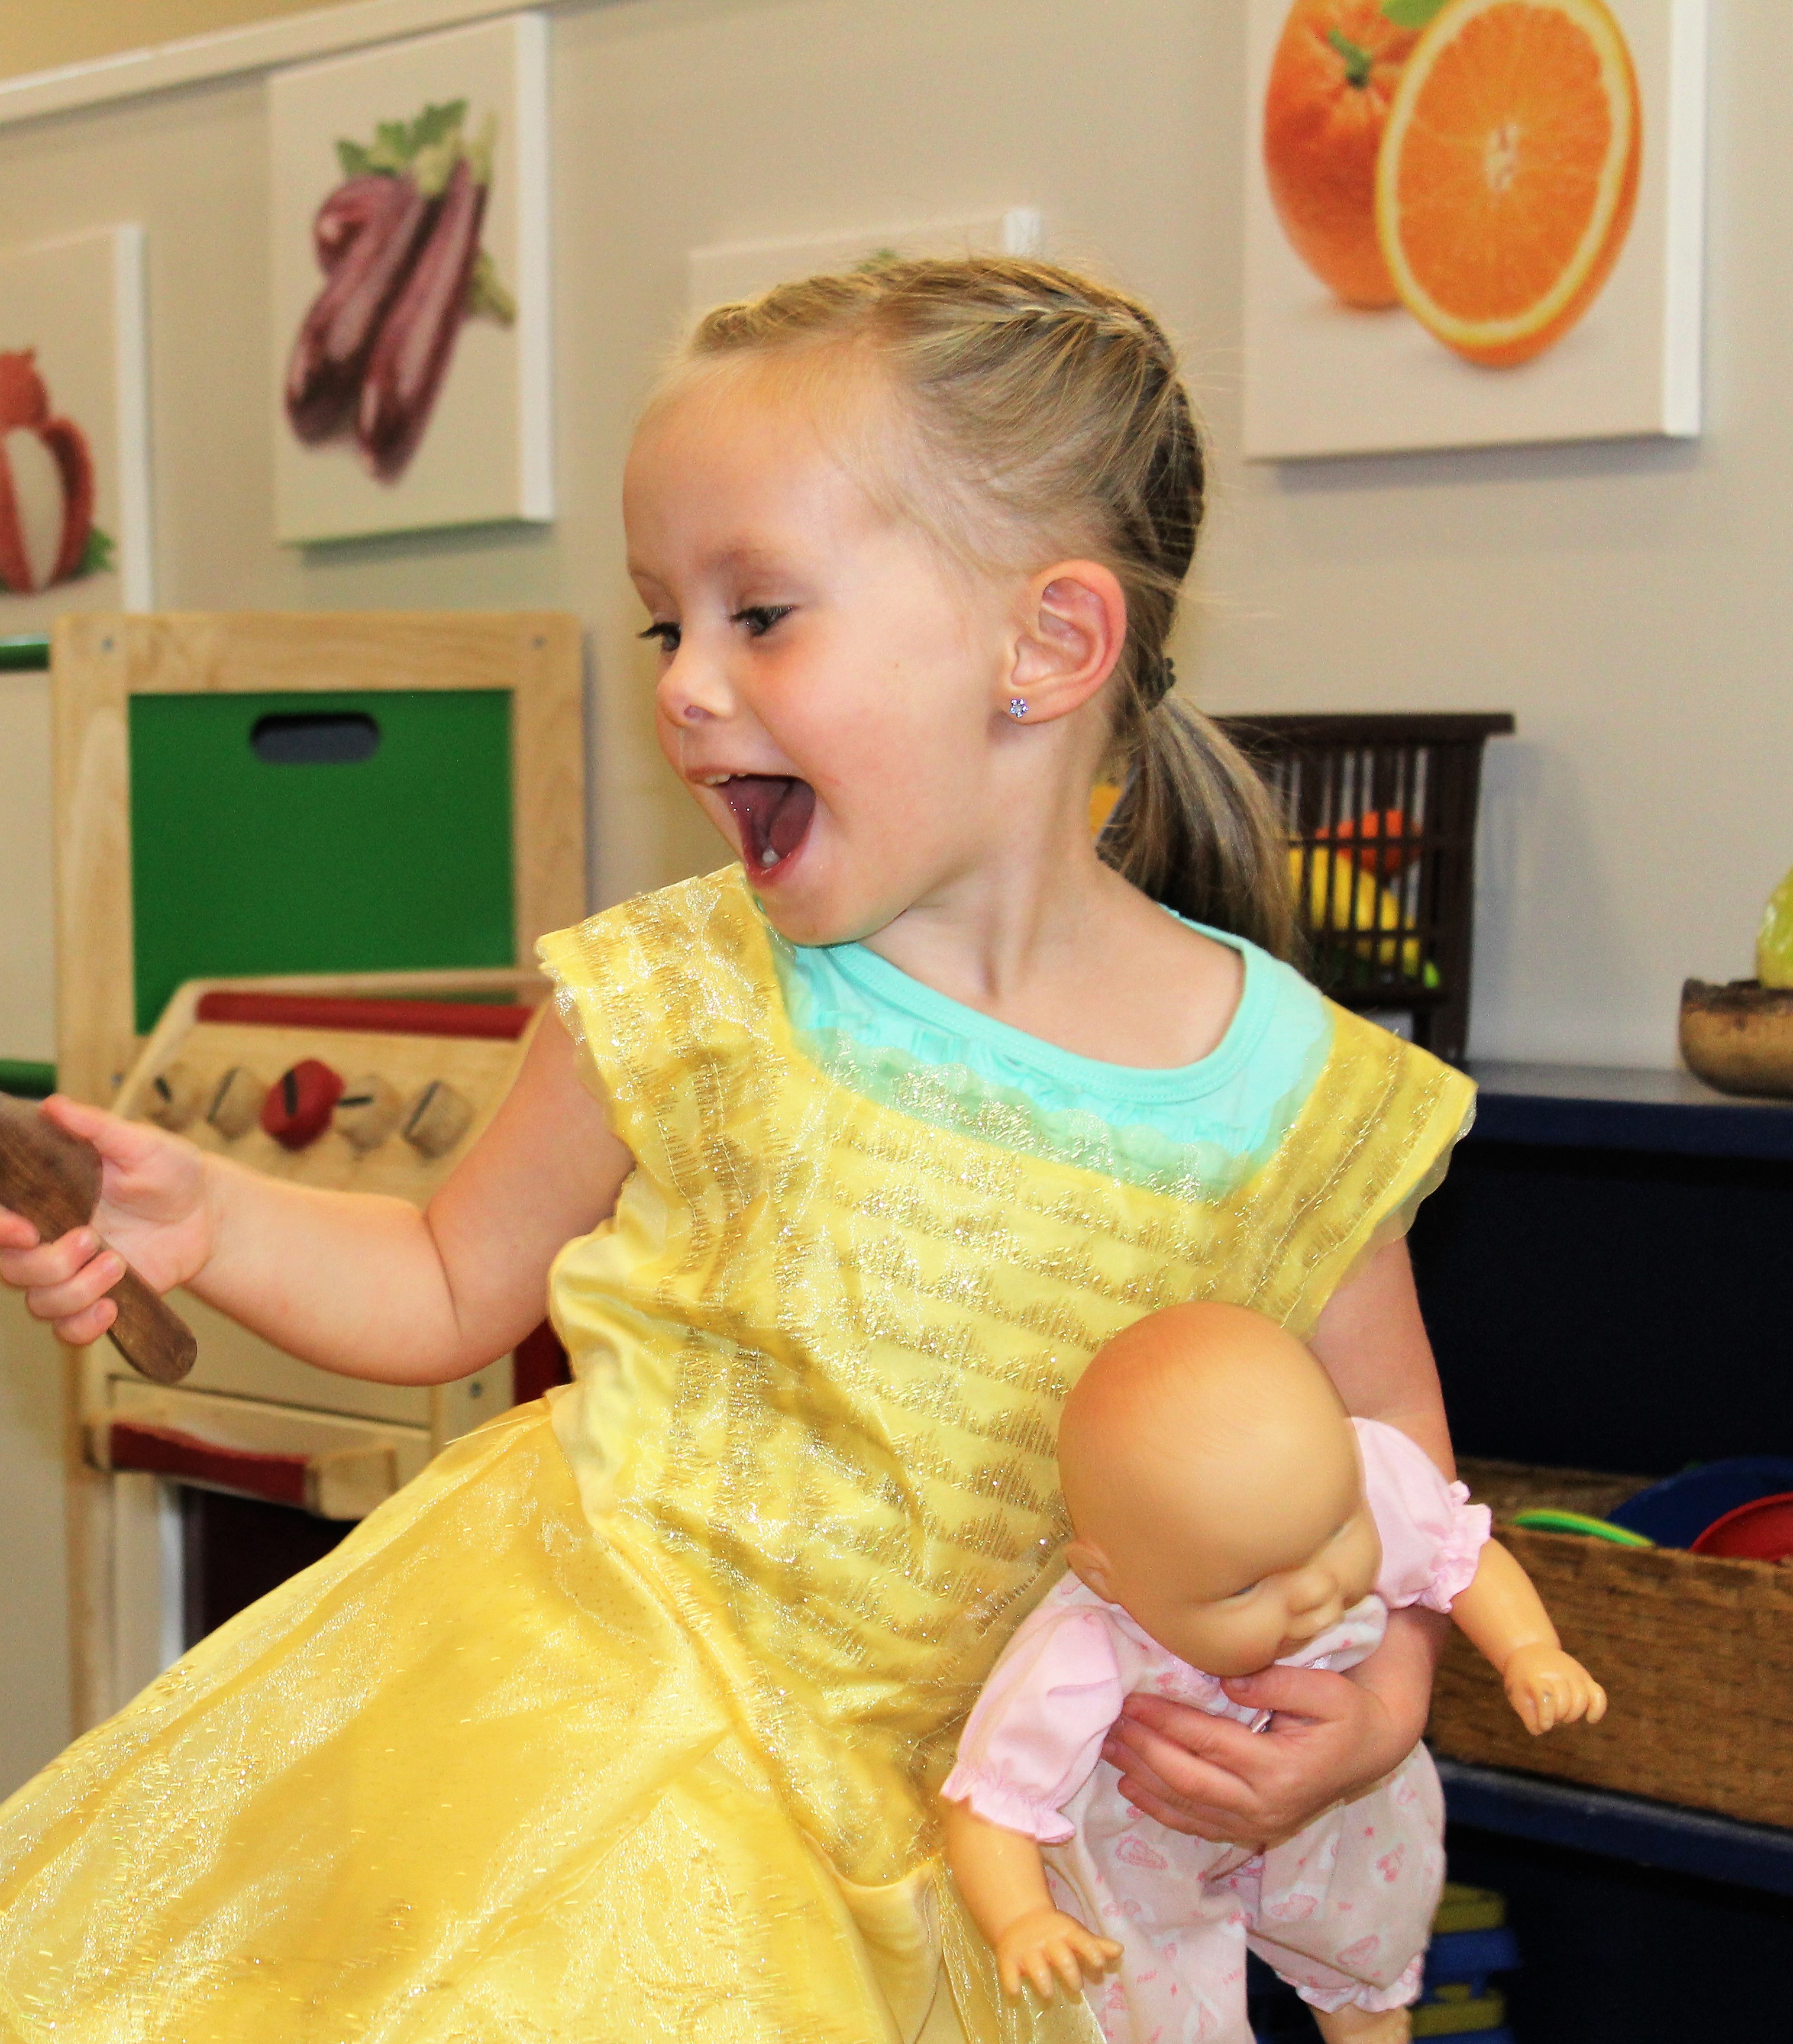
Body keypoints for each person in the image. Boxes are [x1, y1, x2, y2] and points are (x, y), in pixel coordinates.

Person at [0, 257, 1476, 2043]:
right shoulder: (687, 990)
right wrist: (212, 1216)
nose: (687, 686)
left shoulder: (1292, 1096)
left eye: (758, 614)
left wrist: (1380, 1703)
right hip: (590, 1758)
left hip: (973, 1864)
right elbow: (447, 1278)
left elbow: (1394, 1472)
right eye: (662, 626)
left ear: (1047, 644)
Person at [942, 1301, 1605, 2043]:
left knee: (1368, 1880)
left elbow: (1460, 1555)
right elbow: (993, 1802)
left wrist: (1528, 1648)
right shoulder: (1080, 1651)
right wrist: (1022, 1917)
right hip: (1146, 1833)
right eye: (1246, 1587)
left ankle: (1365, 2015)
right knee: (1136, 1969)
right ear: (1108, 1576)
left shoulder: (1346, 1484)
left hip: (1337, 1778)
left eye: (1336, 1530)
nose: (1317, 1591)